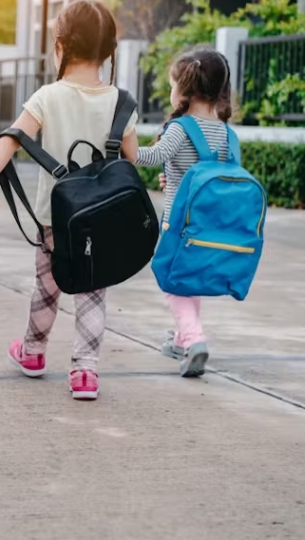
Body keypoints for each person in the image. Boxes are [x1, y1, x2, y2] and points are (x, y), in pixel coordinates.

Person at [0, 0, 138, 400]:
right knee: (93, 290)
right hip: (104, 220)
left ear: (58, 47)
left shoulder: (47, 96)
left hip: (55, 220)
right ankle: (85, 373)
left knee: (47, 287)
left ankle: (34, 352)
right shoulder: (121, 102)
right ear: (110, 52)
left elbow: (11, 138)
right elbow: (131, 159)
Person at [135, 49, 234, 376]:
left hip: (177, 223)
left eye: (172, 86)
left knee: (172, 281)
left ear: (184, 89)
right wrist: (173, 175)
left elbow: (152, 156)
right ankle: (181, 338)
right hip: (209, 223)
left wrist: (125, 143)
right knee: (189, 280)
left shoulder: (180, 127)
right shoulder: (225, 131)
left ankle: (194, 339)